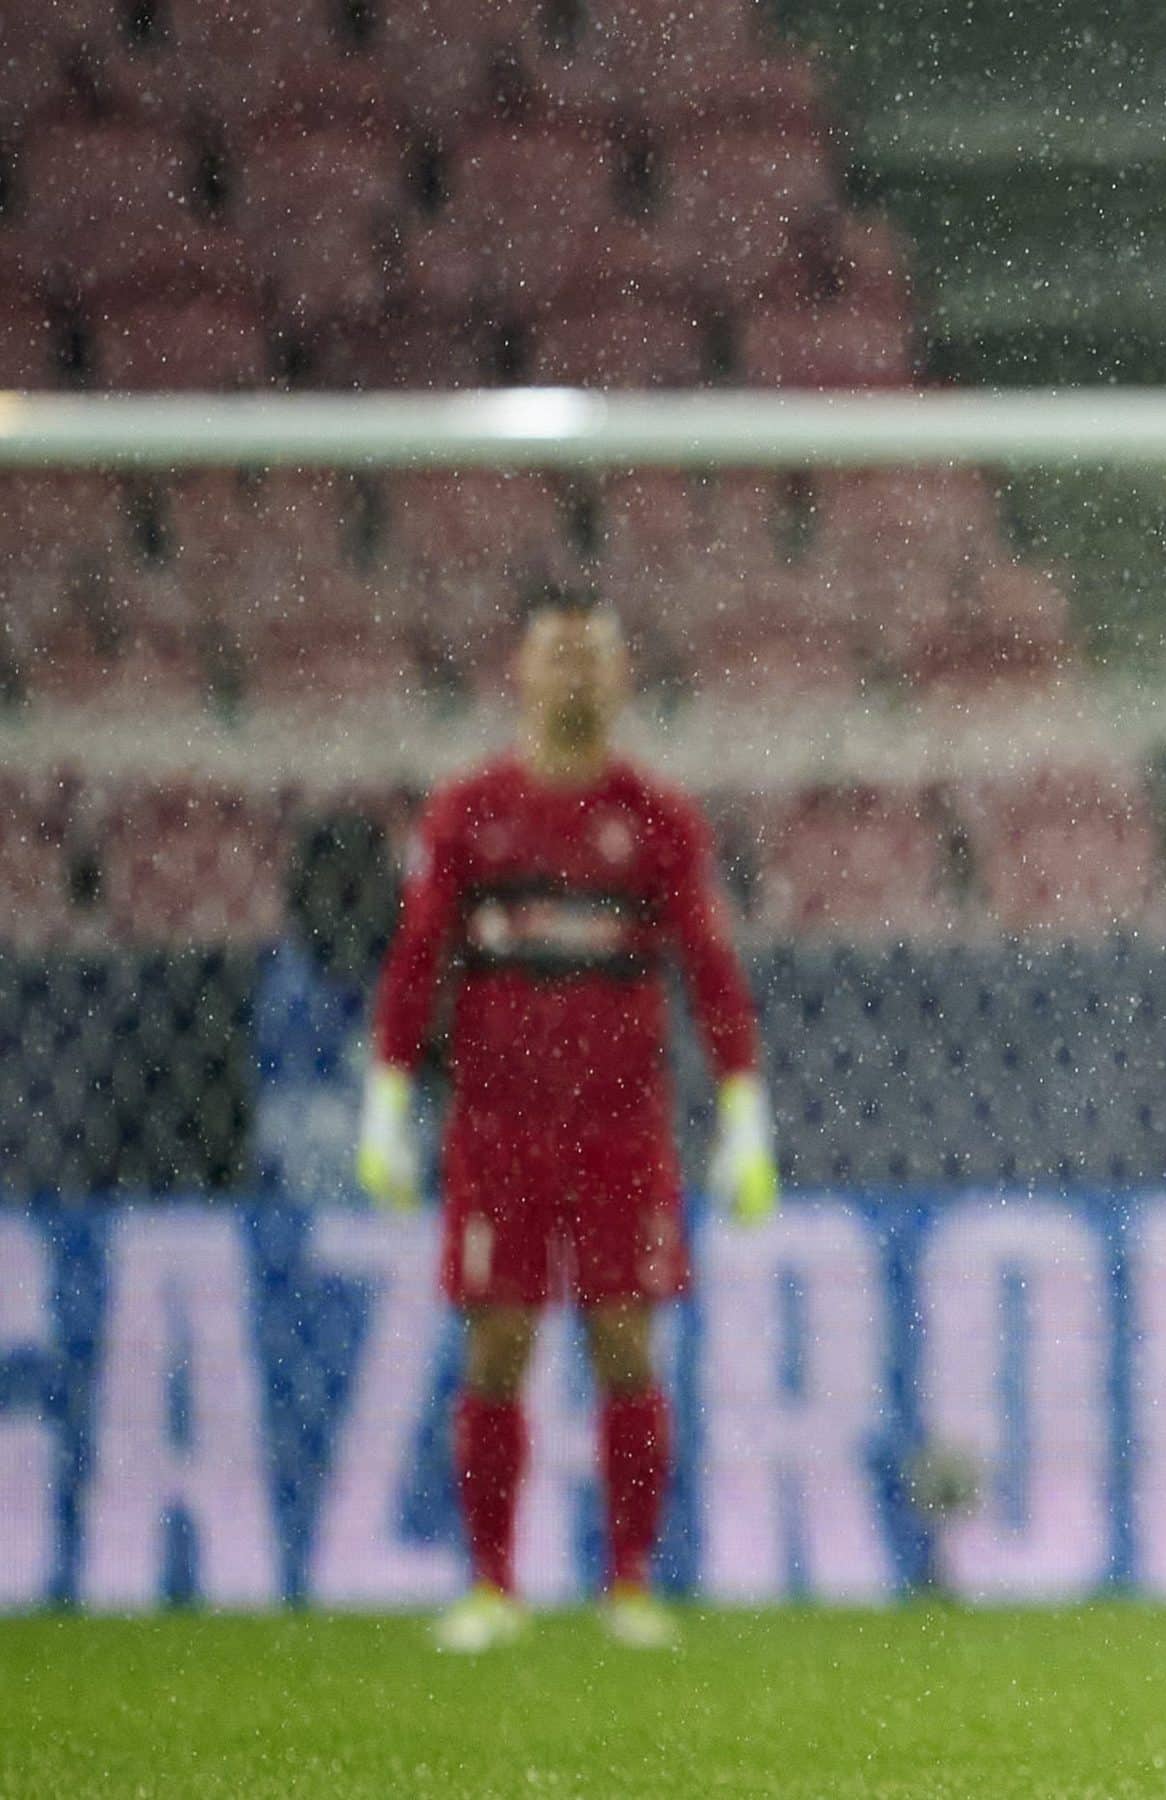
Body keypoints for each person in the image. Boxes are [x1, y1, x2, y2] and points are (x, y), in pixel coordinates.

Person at [356, 581, 778, 1653]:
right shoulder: (470, 812)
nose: (575, 675)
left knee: (624, 1340)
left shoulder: (658, 819)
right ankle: (493, 1585)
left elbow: (708, 968)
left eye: (592, 656)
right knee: (496, 1342)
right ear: (522, 671)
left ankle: (627, 1584)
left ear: (623, 676)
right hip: (497, 1125)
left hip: (620, 1128)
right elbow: (418, 957)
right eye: (557, 655)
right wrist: (387, 1099)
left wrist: (744, 1112)